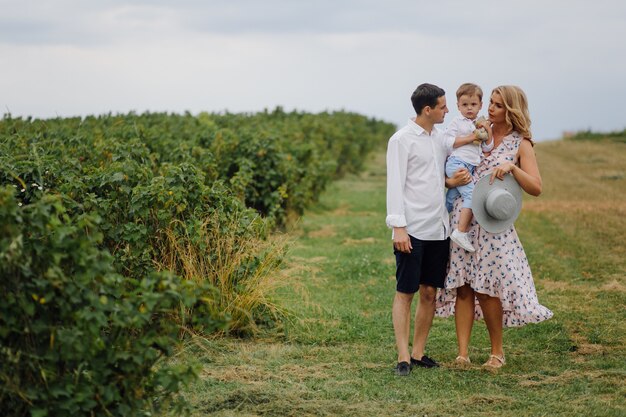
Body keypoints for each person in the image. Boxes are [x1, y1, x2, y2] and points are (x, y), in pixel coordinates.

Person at [436, 85, 553, 369]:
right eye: (491, 102)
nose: (490, 108)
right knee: (463, 285)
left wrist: (513, 168)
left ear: (510, 110)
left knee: (488, 288)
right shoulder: (477, 130)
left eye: (498, 105)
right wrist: (451, 182)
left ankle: (496, 352)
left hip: (492, 225)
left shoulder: (520, 143)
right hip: (462, 219)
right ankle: (462, 354)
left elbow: (536, 187)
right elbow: (446, 164)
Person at [386, 83, 471, 376]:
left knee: (429, 292)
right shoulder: (401, 140)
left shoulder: (439, 139)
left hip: (440, 228)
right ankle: (402, 357)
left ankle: (419, 352)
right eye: (443, 106)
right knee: (405, 292)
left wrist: (450, 183)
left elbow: (432, 178)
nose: (448, 110)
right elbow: (395, 185)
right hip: (412, 229)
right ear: (428, 110)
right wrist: (399, 228)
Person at [445, 83, 494, 252]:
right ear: (458, 106)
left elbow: (487, 148)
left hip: (470, 167)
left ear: (480, 105)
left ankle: (441, 222)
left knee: (452, 197)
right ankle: (460, 231)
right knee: (472, 196)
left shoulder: (481, 124)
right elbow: (449, 142)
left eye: (473, 104)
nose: (469, 108)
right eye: (464, 105)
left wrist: (487, 131)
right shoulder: (457, 122)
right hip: (457, 164)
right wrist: (471, 136)